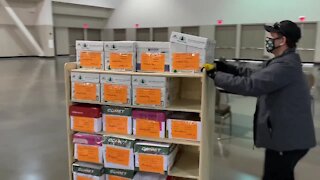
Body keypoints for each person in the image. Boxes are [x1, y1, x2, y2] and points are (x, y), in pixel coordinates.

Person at [203, 20, 316, 180]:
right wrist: (226, 68)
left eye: (272, 37)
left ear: (282, 40)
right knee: (281, 175)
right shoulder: (281, 61)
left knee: (275, 175)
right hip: (286, 137)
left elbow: (251, 85)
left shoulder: (285, 65)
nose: (268, 40)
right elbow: (253, 73)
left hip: (288, 140)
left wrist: (216, 75)